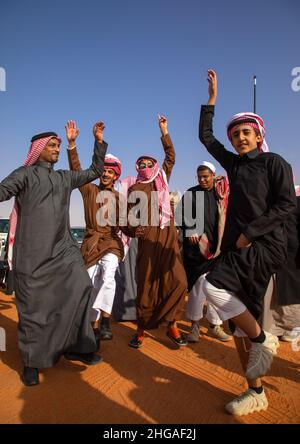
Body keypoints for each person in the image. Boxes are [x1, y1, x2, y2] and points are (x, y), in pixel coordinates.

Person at [197, 69, 296, 415]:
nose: (240, 138)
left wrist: (251, 233)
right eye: (236, 133)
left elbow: (286, 205)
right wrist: (211, 100)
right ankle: (255, 390)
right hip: (236, 249)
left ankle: (262, 339)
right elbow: (207, 139)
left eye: (245, 132)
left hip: (264, 248)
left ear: (258, 136)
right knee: (239, 324)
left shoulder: (275, 163)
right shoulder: (236, 168)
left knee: (213, 286)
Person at [0, 121, 107, 386]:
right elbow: (2, 191)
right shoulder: (24, 174)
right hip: (31, 253)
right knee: (34, 311)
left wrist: (96, 141)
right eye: (53, 145)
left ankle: (76, 345)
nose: (57, 150)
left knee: (81, 285)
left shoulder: (64, 178)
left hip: (62, 249)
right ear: (38, 150)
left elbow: (95, 170)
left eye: (59, 146)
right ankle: (31, 363)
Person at [126, 115, 188, 349]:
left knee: (177, 281)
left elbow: (171, 157)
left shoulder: (162, 178)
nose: (144, 167)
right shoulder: (134, 187)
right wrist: (134, 229)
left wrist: (164, 131)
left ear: (154, 166)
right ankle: (141, 330)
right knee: (146, 286)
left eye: (147, 164)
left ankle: (171, 323)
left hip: (168, 239)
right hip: (148, 239)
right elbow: (129, 218)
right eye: (139, 165)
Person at [68, 123, 125, 344]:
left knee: (109, 276)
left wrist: (136, 229)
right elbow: (77, 170)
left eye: (111, 172)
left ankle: (105, 322)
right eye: (104, 171)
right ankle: (92, 326)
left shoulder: (120, 199)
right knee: (91, 285)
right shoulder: (89, 190)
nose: (106, 174)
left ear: (115, 176)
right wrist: (73, 145)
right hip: (91, 244)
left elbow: (126, 225)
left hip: (111, 243)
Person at [182, 161, 232, 342]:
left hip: (219, 251)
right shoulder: (191, 194)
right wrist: (191, 229)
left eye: (206, 176)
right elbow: (181, 216)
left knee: (217, 287)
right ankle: (194, 326)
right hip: (196, 253)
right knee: (198, 288)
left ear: (213, 175)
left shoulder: (222, 194)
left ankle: (214, 325)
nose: (203, 180)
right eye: (200, 177)